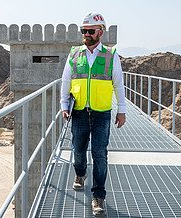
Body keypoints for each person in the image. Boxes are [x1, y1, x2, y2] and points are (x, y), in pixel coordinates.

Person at [60, 12, 126, 215]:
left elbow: (118, 83)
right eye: (83, 31)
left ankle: (99, 196)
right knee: (78, 151)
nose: (86, 34)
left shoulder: (111, 54)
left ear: (100, 32)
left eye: (90, 31)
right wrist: (64, 104)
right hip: (79, 111)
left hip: (102, 114)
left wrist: (121, 110)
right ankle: (80, 173)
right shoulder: (74, 53)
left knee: (100, 154)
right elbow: (66, 80)